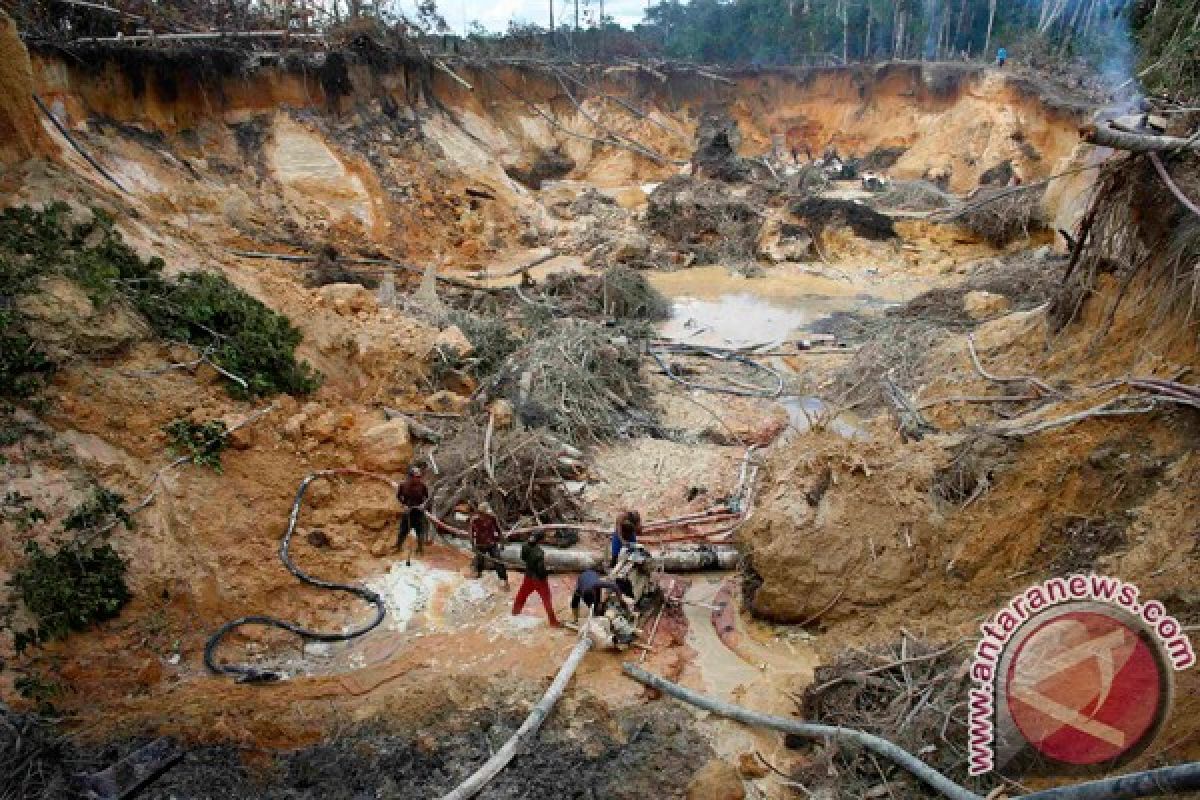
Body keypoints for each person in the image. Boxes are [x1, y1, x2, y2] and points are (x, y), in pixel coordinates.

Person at [512, 531, 560, 626]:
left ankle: (515, 612)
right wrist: (548, 571)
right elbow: (540, 570)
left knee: (522, 595)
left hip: (528, 576)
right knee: (546, 599)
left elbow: (523, 558)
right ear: (540, 540)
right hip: (538, 579)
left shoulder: (525, 545)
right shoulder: (539, 553)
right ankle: (553, 621)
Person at [470, 501, 509, 589]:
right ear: (480, 513)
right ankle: (477, 573)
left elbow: (498, 530)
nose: (486, 515)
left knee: (498, 561)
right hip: (480, 544)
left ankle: (503, 579)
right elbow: (471, 533)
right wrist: (473, 545)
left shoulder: (492, 518)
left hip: (491, 543)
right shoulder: (474, 520)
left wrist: (502, 543)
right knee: (479, 560)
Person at [396, 465, 429, 566]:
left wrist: (423, 505)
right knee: (403, 531)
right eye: (416, 477)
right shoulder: (403, 485)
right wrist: (403, 505)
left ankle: (420, 548)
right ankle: (398, 546)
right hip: (408, 512)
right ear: (410, 477)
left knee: (420, 532)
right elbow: (398, 496)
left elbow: (427, 498)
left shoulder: (423, 486)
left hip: (418, 512)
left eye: (419, 477)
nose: (418, 478)